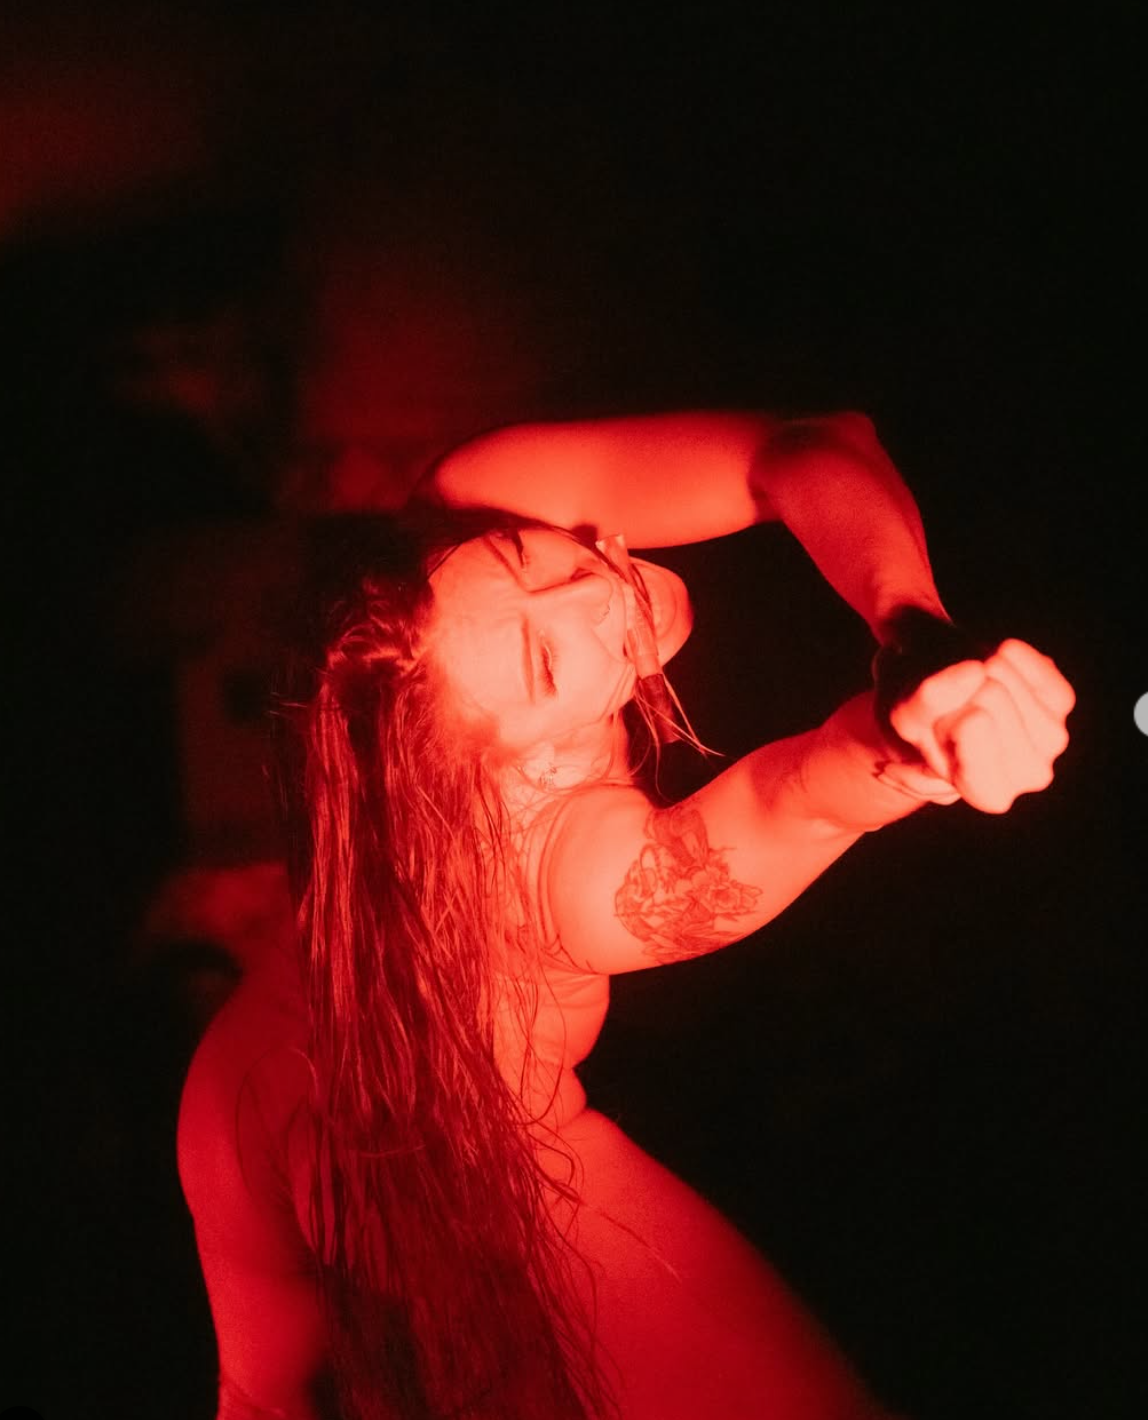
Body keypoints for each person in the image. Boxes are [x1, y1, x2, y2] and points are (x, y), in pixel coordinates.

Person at [176, 409, 1074, 1419]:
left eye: (531, 560)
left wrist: (914, 629)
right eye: (547, 664)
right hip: (428, 1143)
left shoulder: (473, 518)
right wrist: (914, 747)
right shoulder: (566, 878)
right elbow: (798, 799)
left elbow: (809, 446)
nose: (597, 594)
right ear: (525, 763)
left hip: (239, 1078)